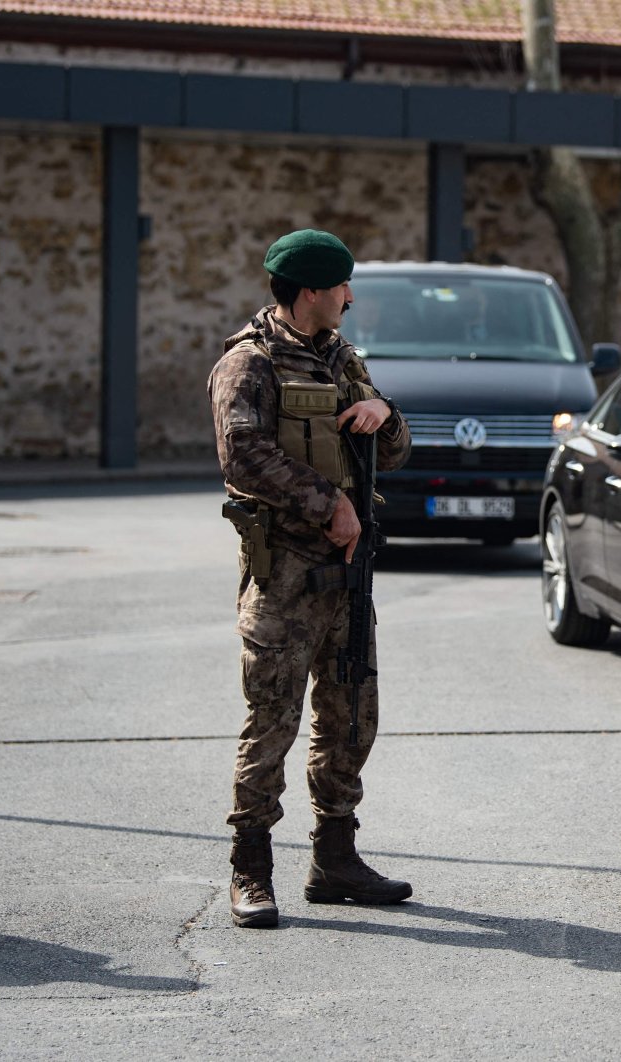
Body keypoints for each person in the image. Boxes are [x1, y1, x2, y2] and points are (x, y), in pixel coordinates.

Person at [207, 228, 414, 929]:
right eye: (341, 287)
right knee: (272, 722)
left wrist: (384, 415)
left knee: (352, 718)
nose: (350, 297)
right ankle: (250, 867)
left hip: (348, 582)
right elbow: (242, 455)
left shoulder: (342, 358)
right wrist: (330, 507)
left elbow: (398, 446)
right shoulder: (251, 363)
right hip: (286, 578)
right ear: (310, 292)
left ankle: (335, 860)